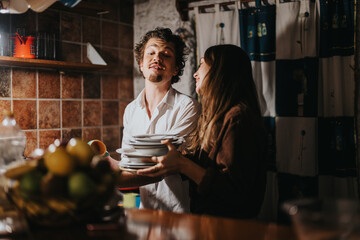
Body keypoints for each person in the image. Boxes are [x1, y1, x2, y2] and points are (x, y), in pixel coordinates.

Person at [137, 45, 268, 219]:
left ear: (219, 72)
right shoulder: (216, 116)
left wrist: (182, 164)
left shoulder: (238, 118)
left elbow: (234, 191)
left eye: (201, 65)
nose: (195, 73)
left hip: (229, 228)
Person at [108, 28, 200, 213]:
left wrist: (106, 179)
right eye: (151, 53)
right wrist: (128, 212)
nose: (157, 57)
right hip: (144, 212)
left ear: (176, 69)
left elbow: (163, 167)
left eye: (165, 54)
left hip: (178, 214)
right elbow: (128, 165)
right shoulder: (131, 110)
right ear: (141, 64)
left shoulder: (188, 107)